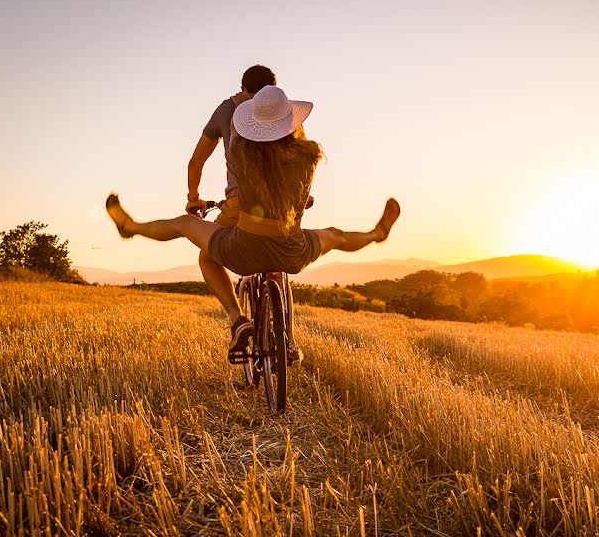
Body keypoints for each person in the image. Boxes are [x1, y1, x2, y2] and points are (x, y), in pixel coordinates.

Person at [106, 86, 400, 356]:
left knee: (188, 230)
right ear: (291, 122)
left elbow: (238, 185)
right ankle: (377, 233)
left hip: (244, 249)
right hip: (291, 249)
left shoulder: (241, 151)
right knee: (335, 236)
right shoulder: (309, 156)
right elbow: (298, 196)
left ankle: (236, 319)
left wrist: (207, 201)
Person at [186, 65, 276, 342]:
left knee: (208, 257)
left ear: (242, 87)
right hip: (282, 204)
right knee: (277, 256)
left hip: (241, 203)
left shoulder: (228, 110)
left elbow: (197, 160)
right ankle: (288, 337)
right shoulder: (284, 111)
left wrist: (194, 198)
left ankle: (238, 320)